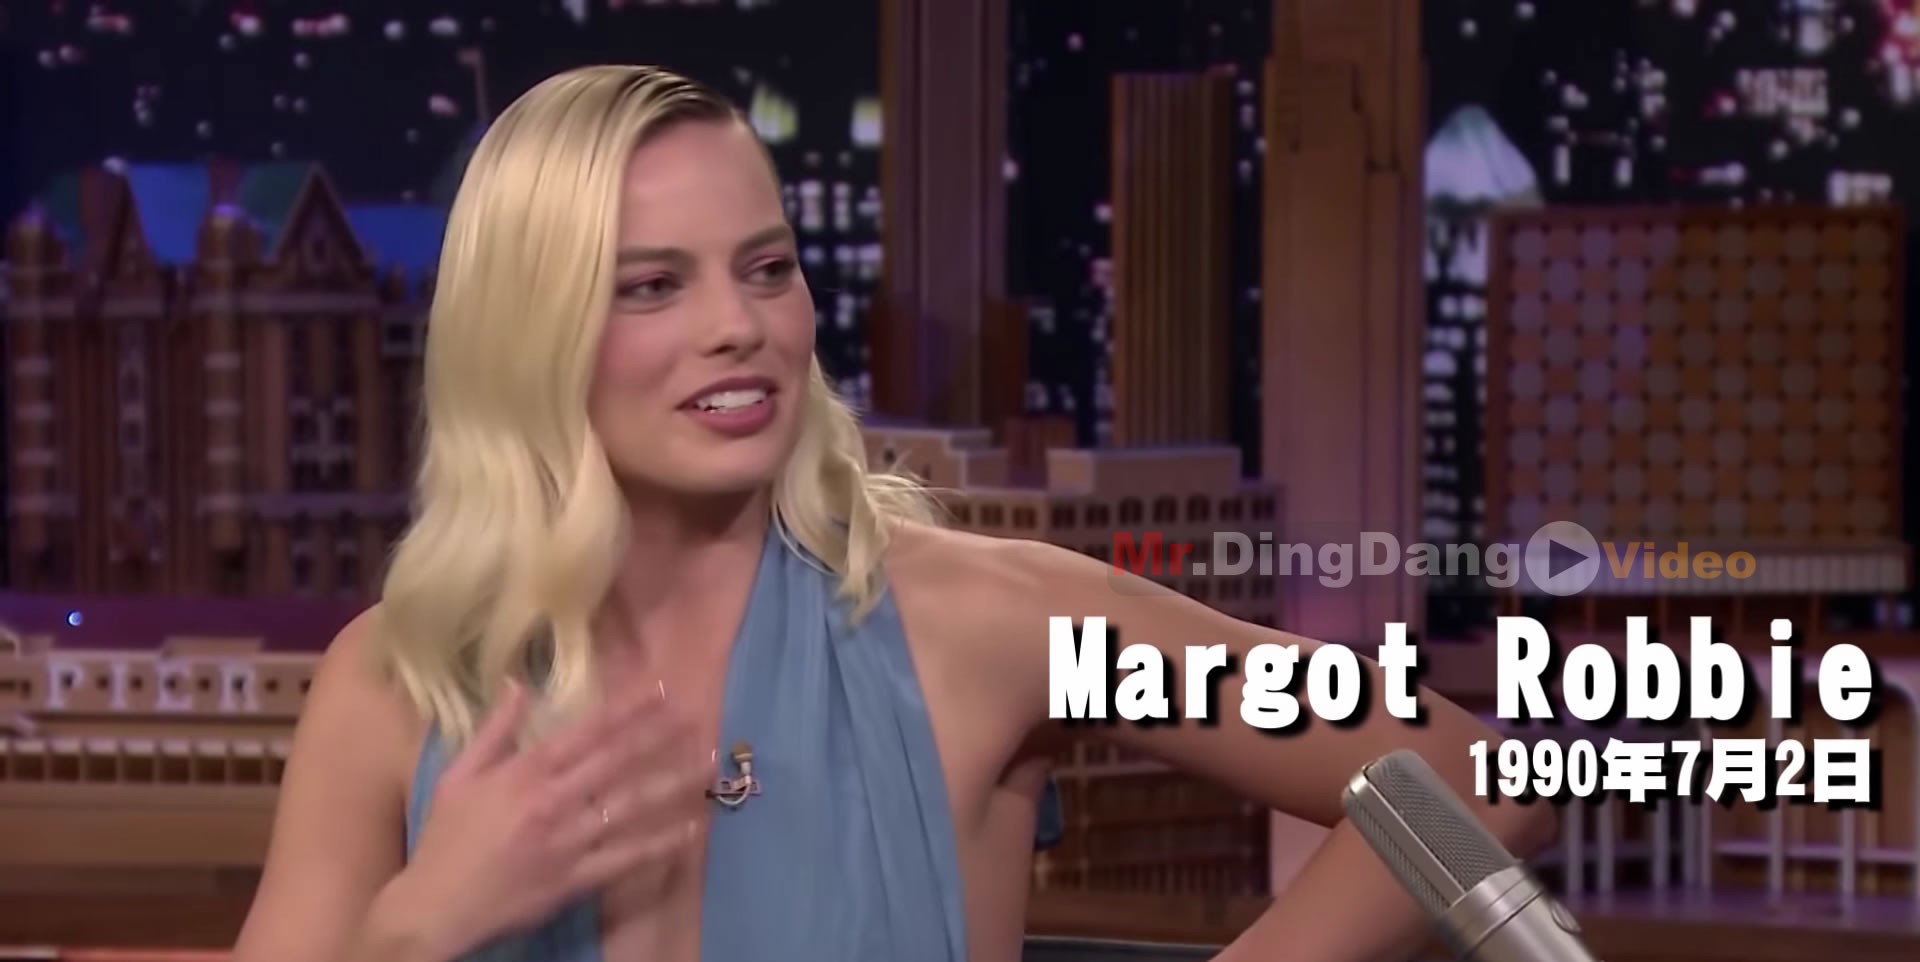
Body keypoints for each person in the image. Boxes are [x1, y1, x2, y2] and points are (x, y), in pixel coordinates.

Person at [230, 65, 1553, 962]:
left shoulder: (979, 621)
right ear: (530, 335)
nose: (740, 326)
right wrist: (423, 925)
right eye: (653, 285)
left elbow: (1480, 781)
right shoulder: (393, 685)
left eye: (767, 268)